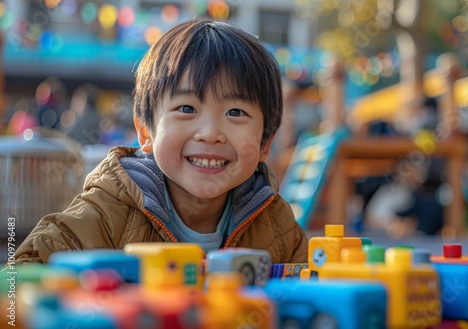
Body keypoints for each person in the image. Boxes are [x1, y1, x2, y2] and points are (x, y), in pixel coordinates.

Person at [13, 19, 308, 264]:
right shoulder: (108, 211)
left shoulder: (274, 221)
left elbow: (311, 290)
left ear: (265, 143)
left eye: (235, 112)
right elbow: (24, 273)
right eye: (187, 109)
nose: (210, 133)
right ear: (145, 132)